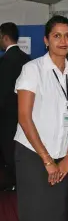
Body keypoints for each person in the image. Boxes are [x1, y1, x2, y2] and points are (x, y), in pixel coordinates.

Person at [14, 15, 68, 221]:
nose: (63, 41)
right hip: (33, 155)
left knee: (58, 212)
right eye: (57, 36)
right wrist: (47, 160)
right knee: (36, 213)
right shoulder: (32, 70)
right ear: (46, 41)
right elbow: (24, 117)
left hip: (63, 156)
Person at [0, 22, 30, 191]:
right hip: (24, 113)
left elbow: (3, 92)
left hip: (7, 115)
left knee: (8, 149)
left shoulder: (5, 62)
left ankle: (14, 182)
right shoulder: (26, 58)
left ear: (5, 37)